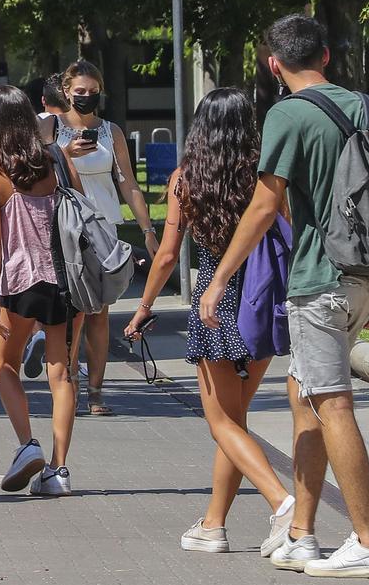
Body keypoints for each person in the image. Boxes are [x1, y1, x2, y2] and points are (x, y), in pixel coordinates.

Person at [200, 14, 369, 578]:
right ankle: (302, 531)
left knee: (331, 402)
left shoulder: (285, 113)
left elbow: (265, 206)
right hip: (362, 272)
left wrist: (218, 281)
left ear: (273, 65)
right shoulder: (362, 106)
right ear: (327, 56)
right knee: (302, 390)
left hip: (320, 279)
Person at [125, 88, 296, 556]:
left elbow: (165, 256)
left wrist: (143, 307)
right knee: (235, 419)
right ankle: (213, 524)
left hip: (215, 299)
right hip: (261, 295)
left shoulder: (186, 180)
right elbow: (287, 231)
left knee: (222, 422)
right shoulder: (265, 179)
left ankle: (283, 506)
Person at [0, 84, 82, 496]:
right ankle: (58, 470)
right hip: (66, 279)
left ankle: (26, 445)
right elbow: (80, 212)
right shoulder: (56, 159)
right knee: (62, 375)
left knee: (6, 366)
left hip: (18, 281)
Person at [56, 60, 159, 415]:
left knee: (99, 313)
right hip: (66, 229)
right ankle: (67, 382)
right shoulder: (49, 127)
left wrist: (148, 230)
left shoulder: (110, 132)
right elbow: (34, 171)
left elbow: (127, 182)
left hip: (103, 231)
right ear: (66, 92)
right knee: (73, 313)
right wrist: (63, 154)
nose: (85, 97)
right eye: (79, 92)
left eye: (92, 92)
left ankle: (96, 392)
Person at [21, 73, 73, 379]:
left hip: (36, 215)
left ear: (42, 100)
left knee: (41, 278)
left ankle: (39, 332)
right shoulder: (79, 127)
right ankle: (70, 356)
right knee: (72, 285)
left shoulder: (33, 126)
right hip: (73, 217)